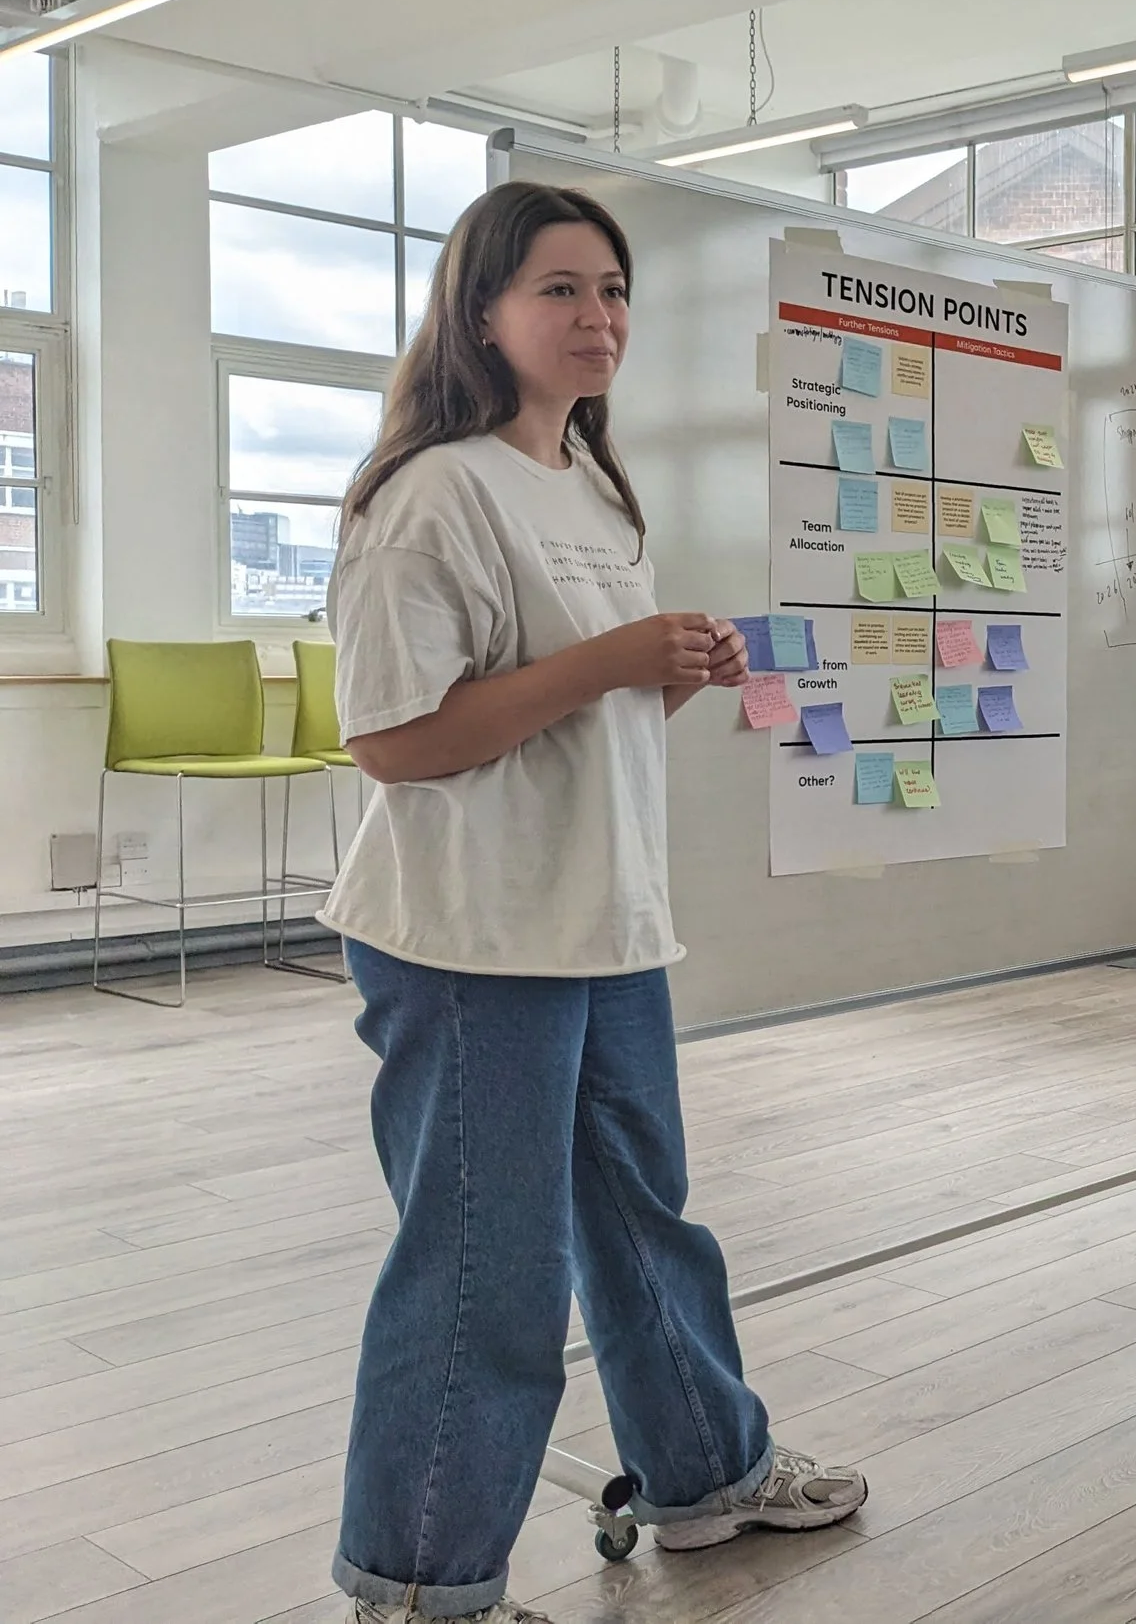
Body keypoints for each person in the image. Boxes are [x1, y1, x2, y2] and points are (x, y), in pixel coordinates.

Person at [321, 183, 866, 1624]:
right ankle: (421, 1584)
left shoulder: (594, 486)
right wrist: (610, 657)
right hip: (466, 934)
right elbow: (395, 739)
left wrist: (659, 677)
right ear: (481, 309)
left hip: (600, 919)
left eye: (614, 289)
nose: (598, 316)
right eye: (561, 289)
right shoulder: (426, 492)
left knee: (642, 1217)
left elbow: (569, 724)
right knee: (485, 1270)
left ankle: (705, 1472)